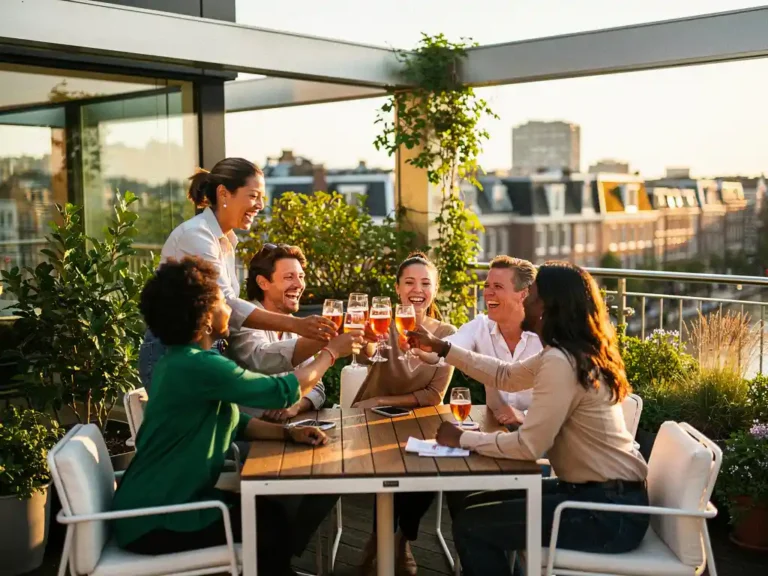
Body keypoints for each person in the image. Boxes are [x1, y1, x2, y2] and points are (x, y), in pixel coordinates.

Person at [113, 257, 364, 576]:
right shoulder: (200, 366)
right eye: (222, 302)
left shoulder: (180, 362)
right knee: (269, 526)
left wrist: (288, 434)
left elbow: (234, 420)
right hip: (158, 519)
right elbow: (284, 391)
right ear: (204, 317)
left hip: (153, 507)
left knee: (269, 516)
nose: (231, 308)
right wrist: (331, 353)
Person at [407, 261, 650, 576]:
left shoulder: (562, 361)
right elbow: (505, 375)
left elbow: (528, 446)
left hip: (606, 514)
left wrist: (462, 438)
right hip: (595, 497)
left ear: (548, 306)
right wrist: (442, 348)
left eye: (531, 295)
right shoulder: (565, 352)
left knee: (472, 526)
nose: (525, 301)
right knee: (473, 506)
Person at [138, 158, 337, 390]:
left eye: (261, 197)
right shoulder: (196, 236)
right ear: (224, 194)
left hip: (201, 350)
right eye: (253, 196)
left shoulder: (225, 240)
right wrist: (297, 326)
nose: (260, 205)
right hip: (172, 352)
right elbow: (228, 305)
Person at [352, 252, 457, 576]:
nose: (417, 289)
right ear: (397, 288)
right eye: (409, 282)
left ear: (435, 289)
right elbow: (366, 357)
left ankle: (398, 539)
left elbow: (434, 395)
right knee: (387, 466)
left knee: (429, 465)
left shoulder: (446, 334)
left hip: (420, 420)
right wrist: (367, 342)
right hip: (375, 420)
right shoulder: (383, 323)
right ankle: (381, 538)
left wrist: (384, 396)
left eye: (425, 283)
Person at [228, 243, 327, 421]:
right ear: (263, 282)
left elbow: (317, 385)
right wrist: (328, 343)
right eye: (289, 277)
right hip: (250, 436)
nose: (299, 284)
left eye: (301, 277)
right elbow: (261, 358)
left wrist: (296, 406)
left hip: (286, 429)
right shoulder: (244, 320)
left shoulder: (293, 327)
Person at [444, 256, 542, 426]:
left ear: (524, 294)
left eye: (498, 286)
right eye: (487, 286)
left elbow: (564, 398)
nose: (488, 293)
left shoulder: (547, 336)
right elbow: (447, 348)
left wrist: (525, 416)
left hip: (542, 433)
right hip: (495, 429)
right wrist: (421, 347)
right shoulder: (480, 326)